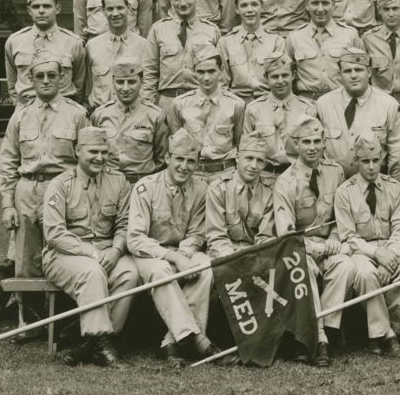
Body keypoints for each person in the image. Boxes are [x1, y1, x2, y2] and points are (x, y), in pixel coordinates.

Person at [126, 129, 234, 367]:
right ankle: (197, 339)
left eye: (190, 161)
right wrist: (173, 257)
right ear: (168, 158)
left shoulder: (201, 189)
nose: (184, 166)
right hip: (151, 253)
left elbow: (197, 232)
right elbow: (135, 238)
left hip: (184, 251)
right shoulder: (145, 187)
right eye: (179, 159)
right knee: (161, 272)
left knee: (205, 267)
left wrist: (183, 255)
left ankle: (172, 342)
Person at [42, 126, 139, 366]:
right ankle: (101, 345)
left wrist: (116, 251)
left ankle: (92, 343)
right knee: (92, 272)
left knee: (130, 273)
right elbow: (54, 234)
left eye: (104, 152)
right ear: (77, 151)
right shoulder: (60, 184)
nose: (100, 157)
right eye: (93, 151)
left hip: (108, 250)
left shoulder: (118, 181)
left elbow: (126, 223)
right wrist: (92, 253)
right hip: (64, 254)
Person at [272, 115, 355, 367]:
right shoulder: (285, 182)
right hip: (302, 249)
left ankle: (328, 330)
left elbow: (343, 217)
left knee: (346, 266)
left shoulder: (335, 172)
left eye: (316, 141)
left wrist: (334, 237)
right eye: (305, 142)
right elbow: (286, 235)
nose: (311, 147)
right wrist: (317, 247)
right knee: (304, 268)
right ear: (296, 145)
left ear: (323, 143)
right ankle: (318, 338)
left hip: (330, 246)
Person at [0, 50, 88, 276]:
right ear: (31, 79)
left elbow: (87, 160)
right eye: (40, 76)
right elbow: (8, 161)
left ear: (61, 78)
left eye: (51, 75)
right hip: (27, 191)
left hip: (63, 191)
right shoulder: (20, 115)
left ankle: (65, 310)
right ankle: (29, 311)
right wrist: (8, 204)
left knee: (64, 256)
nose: (46, 80)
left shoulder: (77, 115)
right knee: (26, 261)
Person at [334, 133, 400, 357]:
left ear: (382, 157)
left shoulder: (395, 188)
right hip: (362, 251)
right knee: (365, 276)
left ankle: (382, 331)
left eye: (375, 160)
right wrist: (377, 253)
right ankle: (389, 338)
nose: (372, 167)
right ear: (356, 160)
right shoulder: (345, 192)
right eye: (365, 161)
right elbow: (348, 236)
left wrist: (388, 258)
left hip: (392, 249)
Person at [315, 45, 400, 180]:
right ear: (340, 74)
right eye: (347, 71)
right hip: (333, 185)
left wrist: (391, 188)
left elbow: (399, 155)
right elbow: (315, 150)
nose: (353, 75)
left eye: (359, 70)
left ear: (369, 72)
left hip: (374, 186)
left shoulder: (388, 105)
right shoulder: (323, 104)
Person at [142, 0, 221, 112]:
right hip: (167, 102)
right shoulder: (158, 30)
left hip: (201, 102)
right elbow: (150, 73)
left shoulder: (212, 31)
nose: (183, 3)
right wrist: (149, 108)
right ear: (170, 0)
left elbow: (221, 75)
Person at [164, 45, 245, 179]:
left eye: (211, 71)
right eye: (201, 72)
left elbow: (239, 143)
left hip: (225, 174)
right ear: (193, 72)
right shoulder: (180, 104)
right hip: (192, 175)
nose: (206, 78)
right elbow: (175, 144)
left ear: (221, 70)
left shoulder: (236, 104)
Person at [89, 57, 170, 184]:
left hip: (143, 184)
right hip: (108, 184)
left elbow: (161, 159)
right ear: (113, 82)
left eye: (131, 82)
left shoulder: (155, 115)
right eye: (120, 82)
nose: (125, 88)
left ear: (142, 82)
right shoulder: (99, 115)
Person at [5, 0, 86, 106]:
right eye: (36, 6)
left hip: (63, 113)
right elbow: (12, 85)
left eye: (47, 6)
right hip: (27, 112)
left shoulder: (74, 43)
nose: (41, 10)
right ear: (29, 11)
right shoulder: (15, 41)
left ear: (57, 8)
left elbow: (79, 87)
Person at [286, 0, 363, 101]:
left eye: (325, 3)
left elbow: (361, 75)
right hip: (306, 103)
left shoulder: (350, 35)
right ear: (306, 5)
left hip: (340, 102)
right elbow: (287, 75)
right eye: (315, 3)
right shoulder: (294, 38)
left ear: (333, 4)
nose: (320, 9)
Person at [241, 53, 316, 180]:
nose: (280, 81)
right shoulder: (254, 109)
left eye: (285, 75)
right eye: (275, 76)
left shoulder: (307, 109)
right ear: (266, 78)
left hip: (297, 177)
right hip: (264, 176)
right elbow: (246, 148)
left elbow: (313, 150)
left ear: (293, 75)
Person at [204, 131, 275, 259]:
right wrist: (234, 260)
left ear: (264, 164)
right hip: (222, 255)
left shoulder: (270, 193)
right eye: (249, 158)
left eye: (259, 161)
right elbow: (216, 236)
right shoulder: (218, 189)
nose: (254, 166)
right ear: (237, 158)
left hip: (255, 255)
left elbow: (265, 237)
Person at [84, 0, 150, 110]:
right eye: (110, 9)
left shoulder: (144, 46)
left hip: (135, 114)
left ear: (129, 8)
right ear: (103, 11)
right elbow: (87, 87)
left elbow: (148, 84)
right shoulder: (92, 46)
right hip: (100, 115)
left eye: (120, 7)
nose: (115, 13)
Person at [216, 0, 286, 103]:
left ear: (262, 7)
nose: (249, 10)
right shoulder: (225, 42)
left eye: (254, 4)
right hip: (236, 104)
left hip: (267, 104)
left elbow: (281, 82)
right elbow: (222, 85)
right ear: (237, 9)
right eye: (244, 5)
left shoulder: (276, 41)